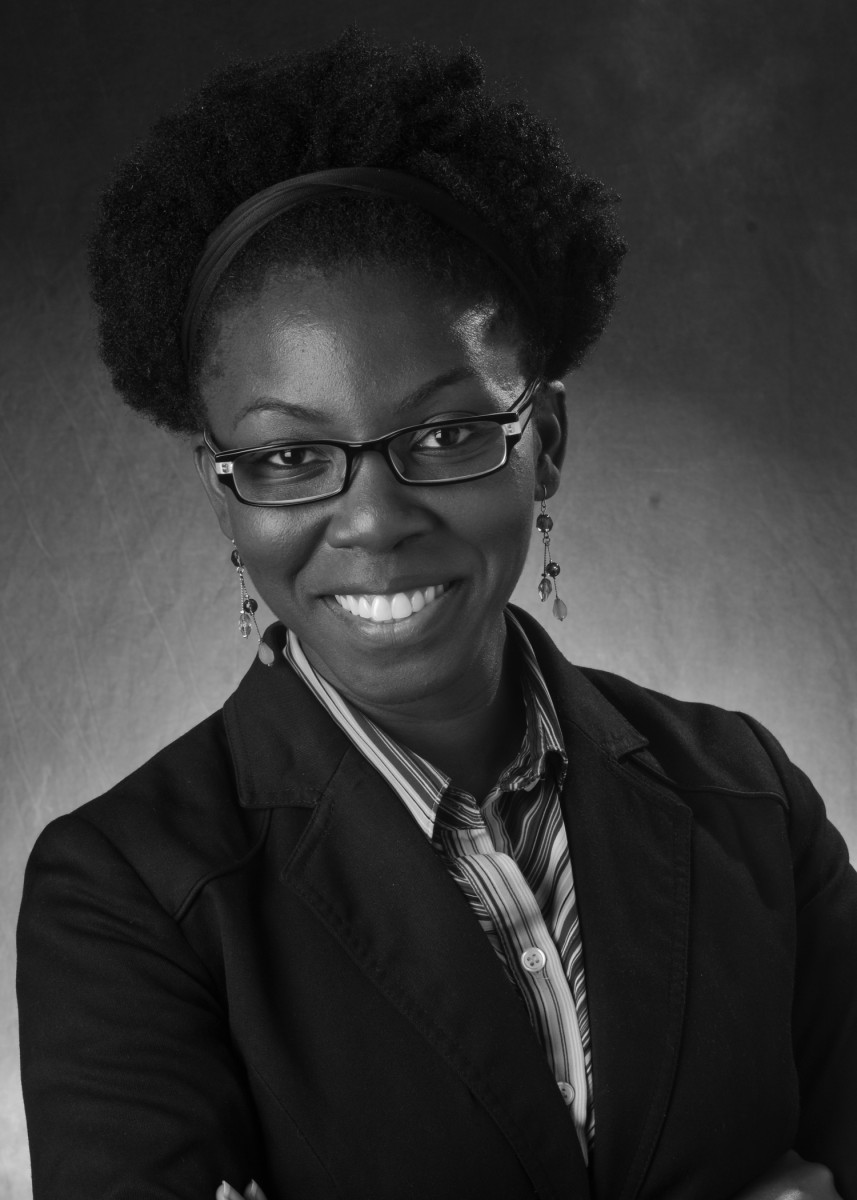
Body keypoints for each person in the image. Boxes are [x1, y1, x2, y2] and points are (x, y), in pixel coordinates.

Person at [16, 28, 856, 1200]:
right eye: (288, 454)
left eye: (445, 434)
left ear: (543, 442)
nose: (371, 516)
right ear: (227, 495)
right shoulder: (124, 894)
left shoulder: (748, 799)